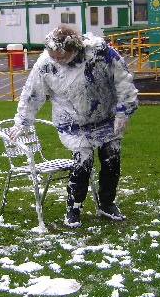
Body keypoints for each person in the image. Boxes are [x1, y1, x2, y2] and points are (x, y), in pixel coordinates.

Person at [10, 26, 138, 228]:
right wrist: (23, 120)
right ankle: (74, 208)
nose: (57, 60)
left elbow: (123, 82)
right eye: (53, 55)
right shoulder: (46, 65)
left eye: (61, 56)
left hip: (105, 117)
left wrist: (124, 111)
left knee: (111, 159)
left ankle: (107, 203)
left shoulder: (101, 54)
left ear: (75, 48)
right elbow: (32, 93)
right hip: (72, 122)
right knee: (82, 163)